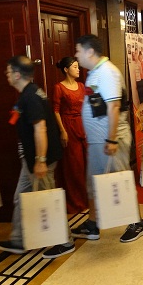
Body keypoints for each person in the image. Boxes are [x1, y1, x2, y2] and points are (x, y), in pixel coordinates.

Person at [0, 56, 74, 258]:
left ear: (17, 75)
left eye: (8, 71)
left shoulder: (31, 97)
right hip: (31, 160)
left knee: (48, 199)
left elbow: (40, 129)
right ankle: (19, 240)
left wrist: (41, 160)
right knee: (21, 197)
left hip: (40, 160)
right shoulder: (31, 92)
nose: (6, 75)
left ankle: (65, 241)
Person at [71, 34, 143, 242]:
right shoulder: (94, 72)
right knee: (93, 182)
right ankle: (93, 224)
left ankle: (137, 223)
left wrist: (112, 140)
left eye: (78, 51)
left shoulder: (107, 72)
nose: (76, 55)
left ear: (89, 52)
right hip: (98, 140)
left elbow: (114, 107)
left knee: (120, 181)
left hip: (111, 139)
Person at [52, 56, 88, 214]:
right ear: (66, 69)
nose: (78, 69)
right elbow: (56, 110)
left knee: (86, 163)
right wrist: (62, 131)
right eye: (75, 67)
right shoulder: (59, 87)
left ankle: (87, 199)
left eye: (78, 66)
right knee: (74, 166)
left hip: (82, 125)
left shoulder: (81, 86)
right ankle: (75, 202)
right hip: (68, 126)